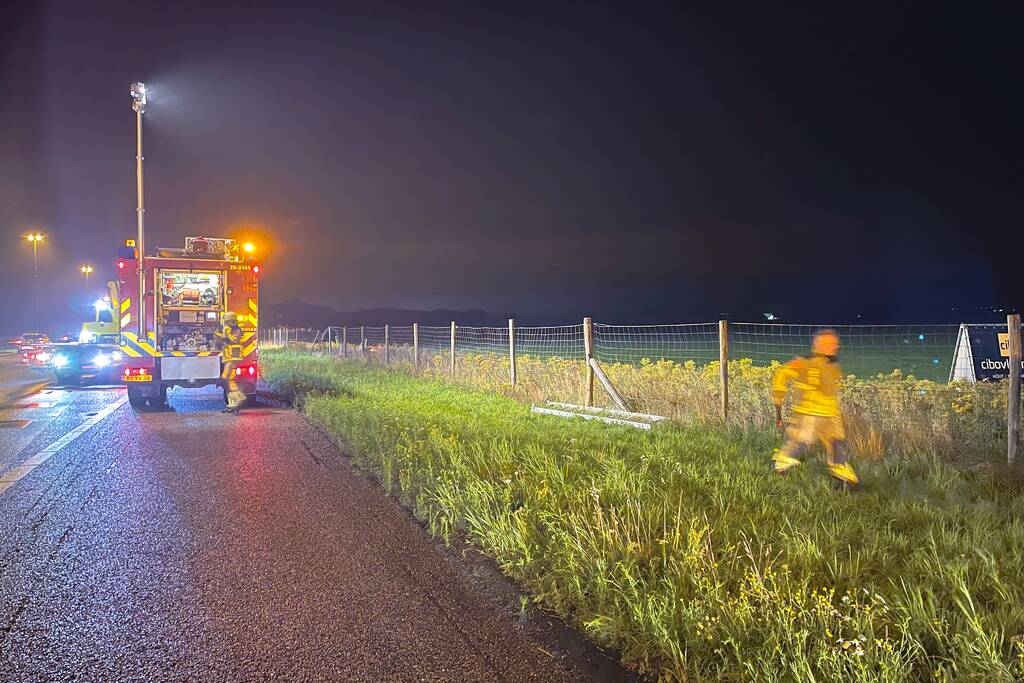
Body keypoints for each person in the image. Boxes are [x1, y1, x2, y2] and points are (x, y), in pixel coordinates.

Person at [770, 329, 859, 488]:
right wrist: (779, 393)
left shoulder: (832, 364)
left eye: (835, 343)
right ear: (818, 345)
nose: (835, 346)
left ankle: (842, 474)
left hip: (830, 413)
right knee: (802, 441)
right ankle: (780, 464)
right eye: (830, 343)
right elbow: (783, 373)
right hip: (809, 412)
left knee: (836, 442)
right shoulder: (804, 362)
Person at [215, 311, 246, 414]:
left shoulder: (231, 330)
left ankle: (236, 400)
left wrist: (218, 333)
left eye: (225, 321)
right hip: (232, 358)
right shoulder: (237, 330)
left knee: (226, 379)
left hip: (231, 359)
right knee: (228, 380)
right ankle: (232, 404)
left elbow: (227, 339)